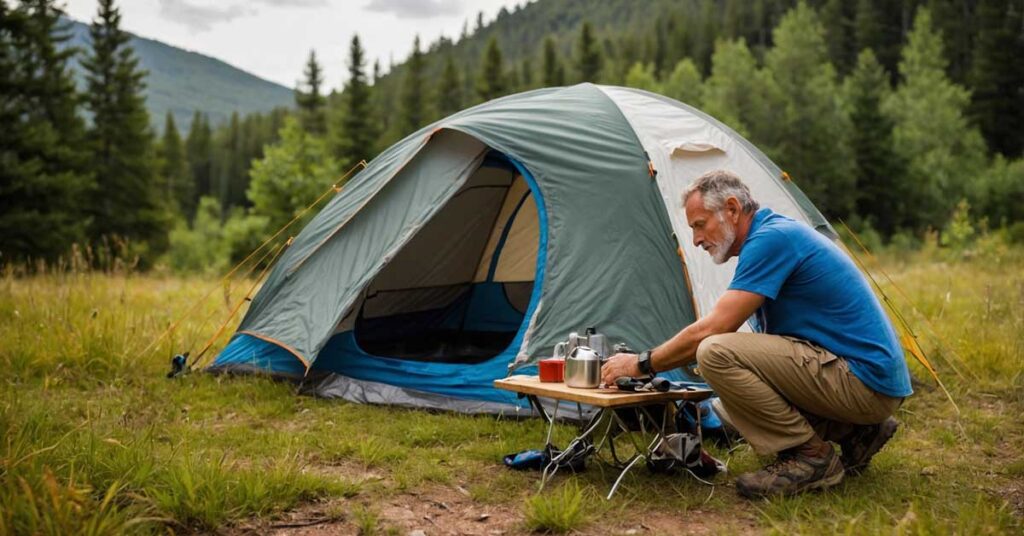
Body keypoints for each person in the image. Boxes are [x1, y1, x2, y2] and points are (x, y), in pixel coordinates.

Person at [600, 169, 912, 499]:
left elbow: (715, 329)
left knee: (714, 352)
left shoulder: (771, 239)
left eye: (699, 224)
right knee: (731, 399)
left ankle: (811, 458)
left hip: (863, 382)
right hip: (867, 380)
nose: (695, 240)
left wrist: (641, 363)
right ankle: (854, 433)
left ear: (732, 209)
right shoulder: (771, 235)